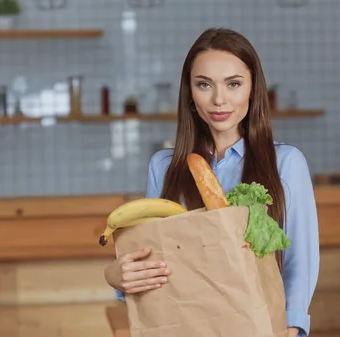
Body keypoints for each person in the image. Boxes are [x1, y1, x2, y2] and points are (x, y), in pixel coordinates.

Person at [104, 27, 320, 337]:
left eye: (233, 84)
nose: (219, 100)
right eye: (204, 85)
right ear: (190, 94)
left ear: (252, 90)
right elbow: (154, 262)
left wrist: (292, 326)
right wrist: (116, 276)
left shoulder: (286, 163)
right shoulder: (163, 167)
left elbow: (300, 260)